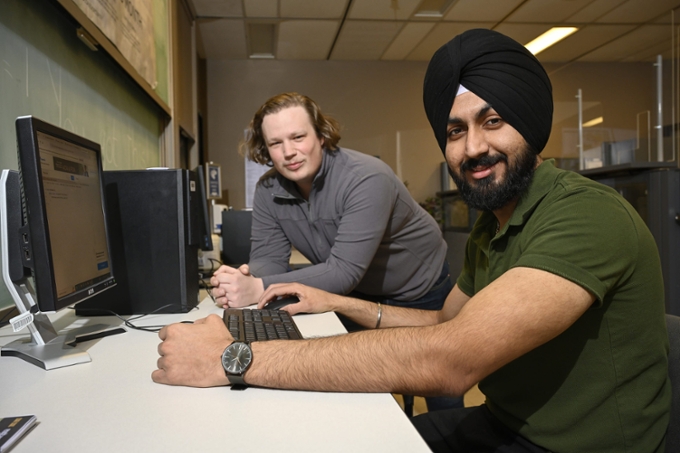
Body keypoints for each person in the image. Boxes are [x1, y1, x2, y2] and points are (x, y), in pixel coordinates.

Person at [153, 29, 671, 453]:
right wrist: (335, 301)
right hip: (504, 425)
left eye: (493, 121)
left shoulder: (585, 215)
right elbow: (447, 321)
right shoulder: (492, 224)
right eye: (454, 131)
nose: (473, 147)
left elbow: (449, 360)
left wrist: (233, 358)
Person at [210, 92, 462, 411]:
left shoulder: (367, 178)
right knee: (369, 380)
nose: (289, 152)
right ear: (265, 149)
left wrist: (256, 288)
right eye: (276, 143)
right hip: (359, 293)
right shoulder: (267, 190)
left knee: (441, 382)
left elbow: (343, 272)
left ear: (321, 135)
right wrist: (244, 278)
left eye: (298, 137)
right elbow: (269, 259)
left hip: (418, 287)